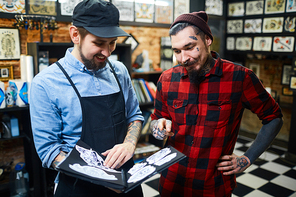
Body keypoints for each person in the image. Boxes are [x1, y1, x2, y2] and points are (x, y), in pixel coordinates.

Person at [150, 11, 283, 197]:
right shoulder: (167, 79)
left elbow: (274, 117)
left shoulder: (239, 77)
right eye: (177, 51)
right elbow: (156, 118)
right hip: (172, 180)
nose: (183, 58)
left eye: (189, 47)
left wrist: (248, 158)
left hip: (213, 185)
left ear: (207, 39)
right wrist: (157, 126)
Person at [29, 0, 144, 196]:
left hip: (126, 181)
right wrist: (100, 176)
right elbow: (49, 151)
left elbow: (134, 115)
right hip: (77, 188)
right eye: (99, 43)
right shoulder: (45, 83)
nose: (107, 52)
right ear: (75, 35)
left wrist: (129, 144)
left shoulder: (120, 71)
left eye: (112, 43)